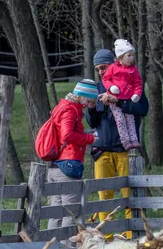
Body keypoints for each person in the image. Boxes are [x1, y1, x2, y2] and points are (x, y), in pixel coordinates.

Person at [87, 48, 149, 234]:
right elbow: (92, 122)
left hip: (125, 151)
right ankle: (106, 238)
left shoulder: (130, 83)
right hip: (102, 151)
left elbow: (143, 109)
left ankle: (132, 237)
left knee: (129, 195)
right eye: (98, 69)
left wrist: (118, 101)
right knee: (104, 198)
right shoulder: (97, 88)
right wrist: (91, 108)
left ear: (114, 63)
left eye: (104, 67)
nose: (101, 72)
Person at [47, 80, 98, 230]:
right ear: (81, 96)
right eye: (89, 100)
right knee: (71, 212)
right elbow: (67, 135)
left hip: (56, 165)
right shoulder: (70, 110)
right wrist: (89, 138)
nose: (88, 104)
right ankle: (67, 244)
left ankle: (51, 243)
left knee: (56, 212)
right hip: (67, 165)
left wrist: (85, 134)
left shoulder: (62, 107)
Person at [101, 39, 143, 150]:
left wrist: (137, 94)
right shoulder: (113, 68)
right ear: (120, 56)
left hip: (128, 100)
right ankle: (125, 141)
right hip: (115, 99)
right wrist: (111, 87)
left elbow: (138, 83)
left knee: (130, 120)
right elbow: (105, 79)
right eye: (129, 55)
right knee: (120, 120)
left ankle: (134, 140)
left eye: (133, 55)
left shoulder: (133, 70)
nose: (132, 58)